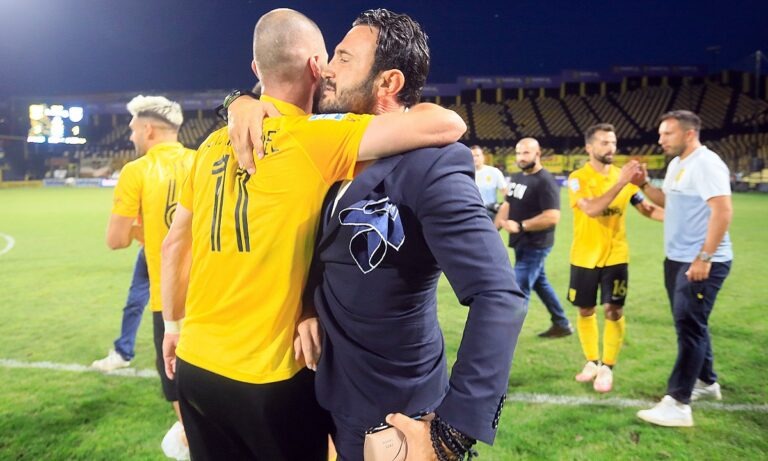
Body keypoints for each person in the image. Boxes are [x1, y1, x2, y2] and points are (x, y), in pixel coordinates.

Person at [160, 8, 467, 461]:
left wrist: (171, 325)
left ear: (256, 69)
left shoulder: (208, 145)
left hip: (195, 363)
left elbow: (173, 243)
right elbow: (447, 124)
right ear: (315, 67)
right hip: (268, 374)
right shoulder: (316, 137)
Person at [230, 9, 527, 460]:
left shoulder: (431, 165)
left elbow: (498, 294)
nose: (326, 68)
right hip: (326, 397)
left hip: (395, 412)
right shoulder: (330, 150)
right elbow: (315, 246)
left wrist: (454, 432)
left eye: (344, 58)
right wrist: (240, 101)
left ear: (388, 82)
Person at [107, 94, 194, 460]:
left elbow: (115, 239)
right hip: (212, 294)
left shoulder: (137, 171)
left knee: (177, 389)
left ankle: (194, 445)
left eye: (132, 129)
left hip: (170, 300)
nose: (130, 136)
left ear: (148, 130)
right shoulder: (202, 160)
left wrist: (143, 228)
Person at [636, 110, 733, 427]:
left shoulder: (706, 164)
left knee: (689, 326)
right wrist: (644, 184)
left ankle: (678, 404)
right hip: (677, 258)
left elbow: (722, 211)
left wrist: (704, 257)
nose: (660, 140)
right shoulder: (678, 164)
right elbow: (668, 201)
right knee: (691, 324)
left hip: (702, 261)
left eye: (668, 134)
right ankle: (707, 382)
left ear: (689, 134)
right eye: (661, 133)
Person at [567, 123, 662, 393]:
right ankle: (591, 361)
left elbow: (646, 208)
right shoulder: (578, 178)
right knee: (586, 309)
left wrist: (682, 219)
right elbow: (591, 209)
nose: (611, 148)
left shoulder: (624, 178)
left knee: (613, 309)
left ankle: (607, 366)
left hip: (616, 256)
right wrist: (622, 183)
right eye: (605, 142)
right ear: (589, 147)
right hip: (584, 256)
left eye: (613, 142)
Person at [495, 137, 572, 338]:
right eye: (518, 153)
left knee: (518, 289)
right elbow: (507, 205)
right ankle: (562, 323)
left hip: (536, 244)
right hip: (521, 243)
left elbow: (552, 216)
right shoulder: (517, 177)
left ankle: (505, 337)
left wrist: (521, 226)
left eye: (526, 153)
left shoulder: (545, 181)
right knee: (540, 283)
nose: (521, 157)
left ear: (538, 154)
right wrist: (492, 231)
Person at [91, 247, 149, 371]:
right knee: (135, 303)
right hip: (149, 254)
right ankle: (123, 353)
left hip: (176, 252)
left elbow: (115, 242)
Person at [471, 145, 507, 219]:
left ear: (483, 156)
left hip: (490, 212)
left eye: (477, 155)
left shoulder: (494, 172)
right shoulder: (466, 174)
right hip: (472, 212)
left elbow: (505, 192)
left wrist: (503, 211)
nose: (475, 158)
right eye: (472, 156)